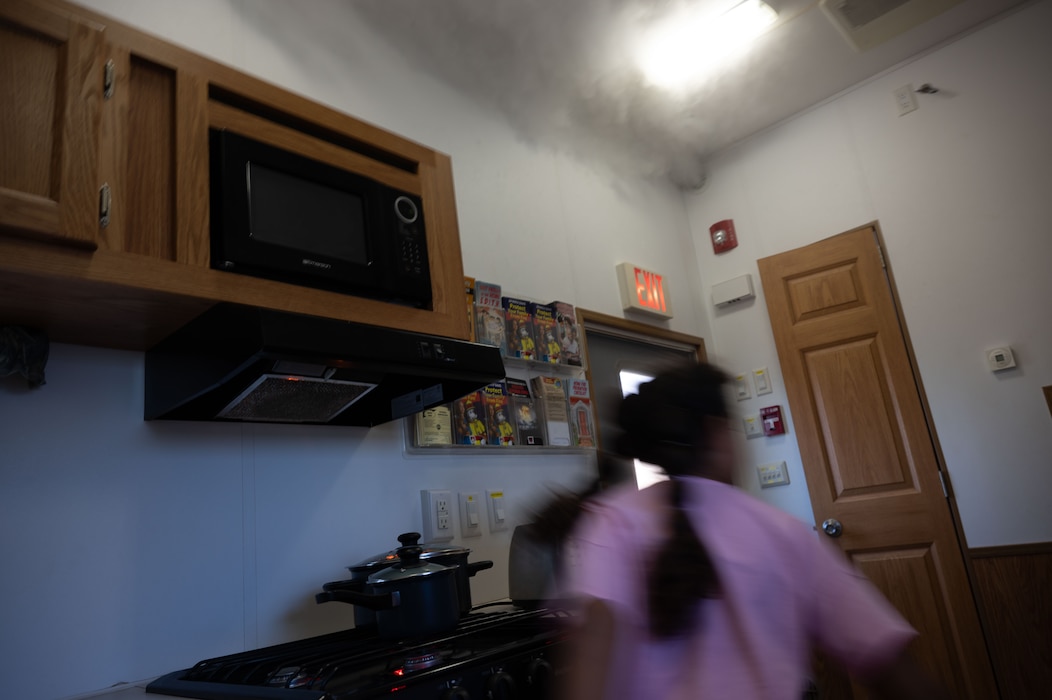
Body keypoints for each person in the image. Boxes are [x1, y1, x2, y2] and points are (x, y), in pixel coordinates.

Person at [542, 361, 950, 700]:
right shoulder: (783, 533)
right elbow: (887, 660)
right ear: (717, 435)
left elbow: (592, 658)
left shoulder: (610, 522)